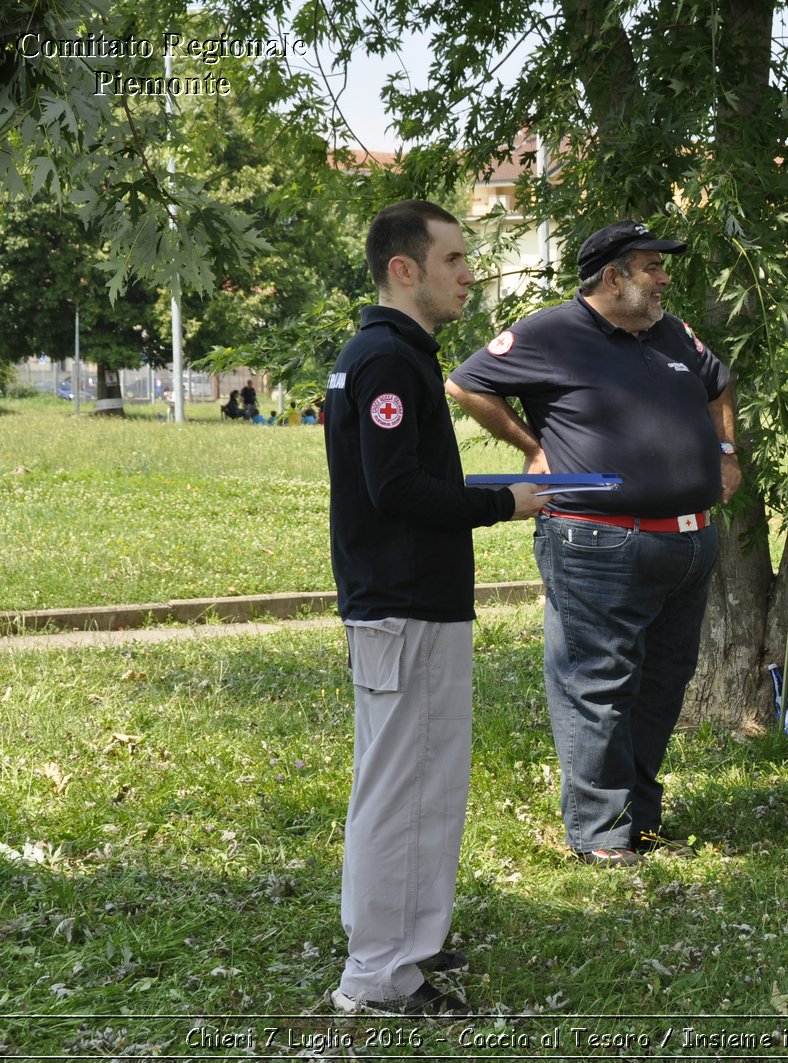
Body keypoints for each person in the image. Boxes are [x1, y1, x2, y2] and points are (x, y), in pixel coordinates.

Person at [447, 219, 742, 869]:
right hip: (596, 542)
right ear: (613, 277)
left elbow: (718, 382)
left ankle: (638, 815)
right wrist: (533, 446)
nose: (665, 277)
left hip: (688, 546)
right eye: (652, 267)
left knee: (664, 683)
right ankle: (601, 833)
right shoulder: (552, 332)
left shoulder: (672, 333)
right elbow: (466, 383)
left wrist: (725, 451)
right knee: (597, 685)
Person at [324, 199, 542, 1016]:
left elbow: (404, 483)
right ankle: (378, 975)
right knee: (402, 788)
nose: (469, 273)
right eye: (453, 258)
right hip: (404, 606)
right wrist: (503, 503)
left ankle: (404, 942)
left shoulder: (395, 354)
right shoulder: (386, 359)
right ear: (403, 269)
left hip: (413, 605)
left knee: (419, 783)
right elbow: (397, 489)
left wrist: (497, 494)